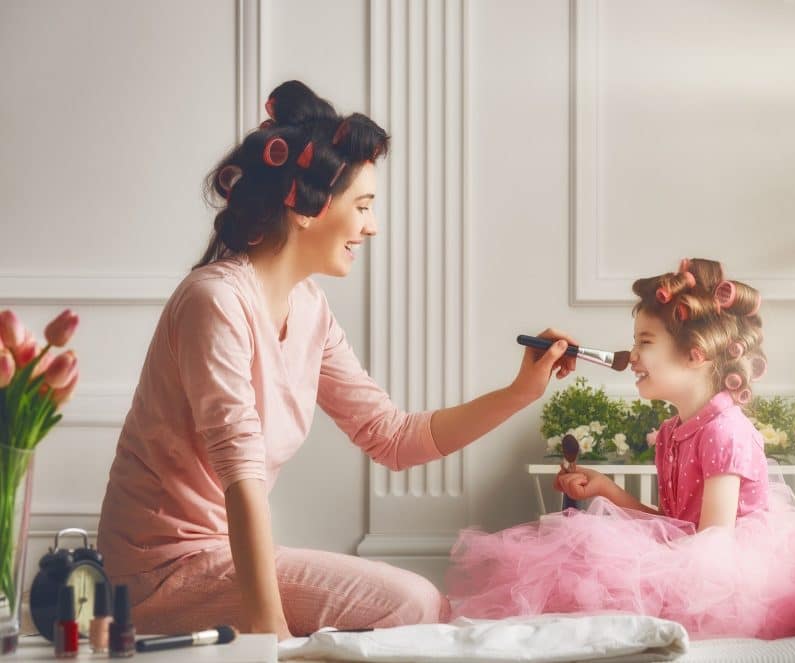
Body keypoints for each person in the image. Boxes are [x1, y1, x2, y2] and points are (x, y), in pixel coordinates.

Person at [96, 80, 577, 640]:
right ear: (306, 208)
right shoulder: (216, 300)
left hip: (221, 557)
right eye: (363, 206)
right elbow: (241, 474)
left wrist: (520, 393)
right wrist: (272, 637)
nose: (372, 226)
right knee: (414, 605)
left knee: (419, 606)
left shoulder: (309, 307)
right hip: (158, 575)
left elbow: (393, 438)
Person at [446, 258, 795, 639]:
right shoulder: (673, 432)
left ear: (696, 354)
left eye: (645, 342)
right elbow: (674, 528)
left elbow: (712, 548)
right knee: (582, 566)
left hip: (726, 583)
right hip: (693, 561)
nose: (632, 355)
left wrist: (639, 565)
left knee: (599, 571)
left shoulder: (724, 431)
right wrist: (606, 489)